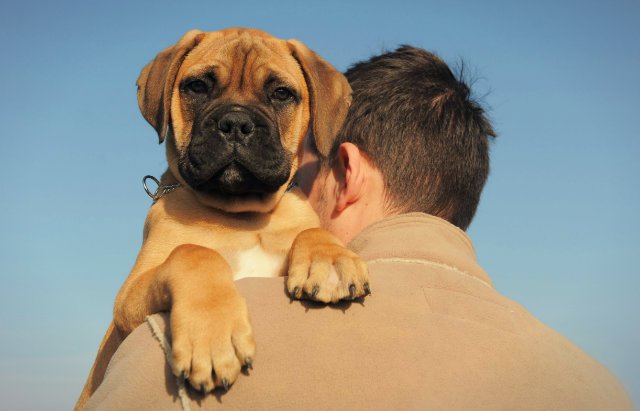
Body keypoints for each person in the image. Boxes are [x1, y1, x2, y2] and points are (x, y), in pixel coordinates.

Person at [83, 46, 633, 411]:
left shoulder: (163, 357)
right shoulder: (602, 387)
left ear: (343, 171)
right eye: (200, 88)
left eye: (306, 172)